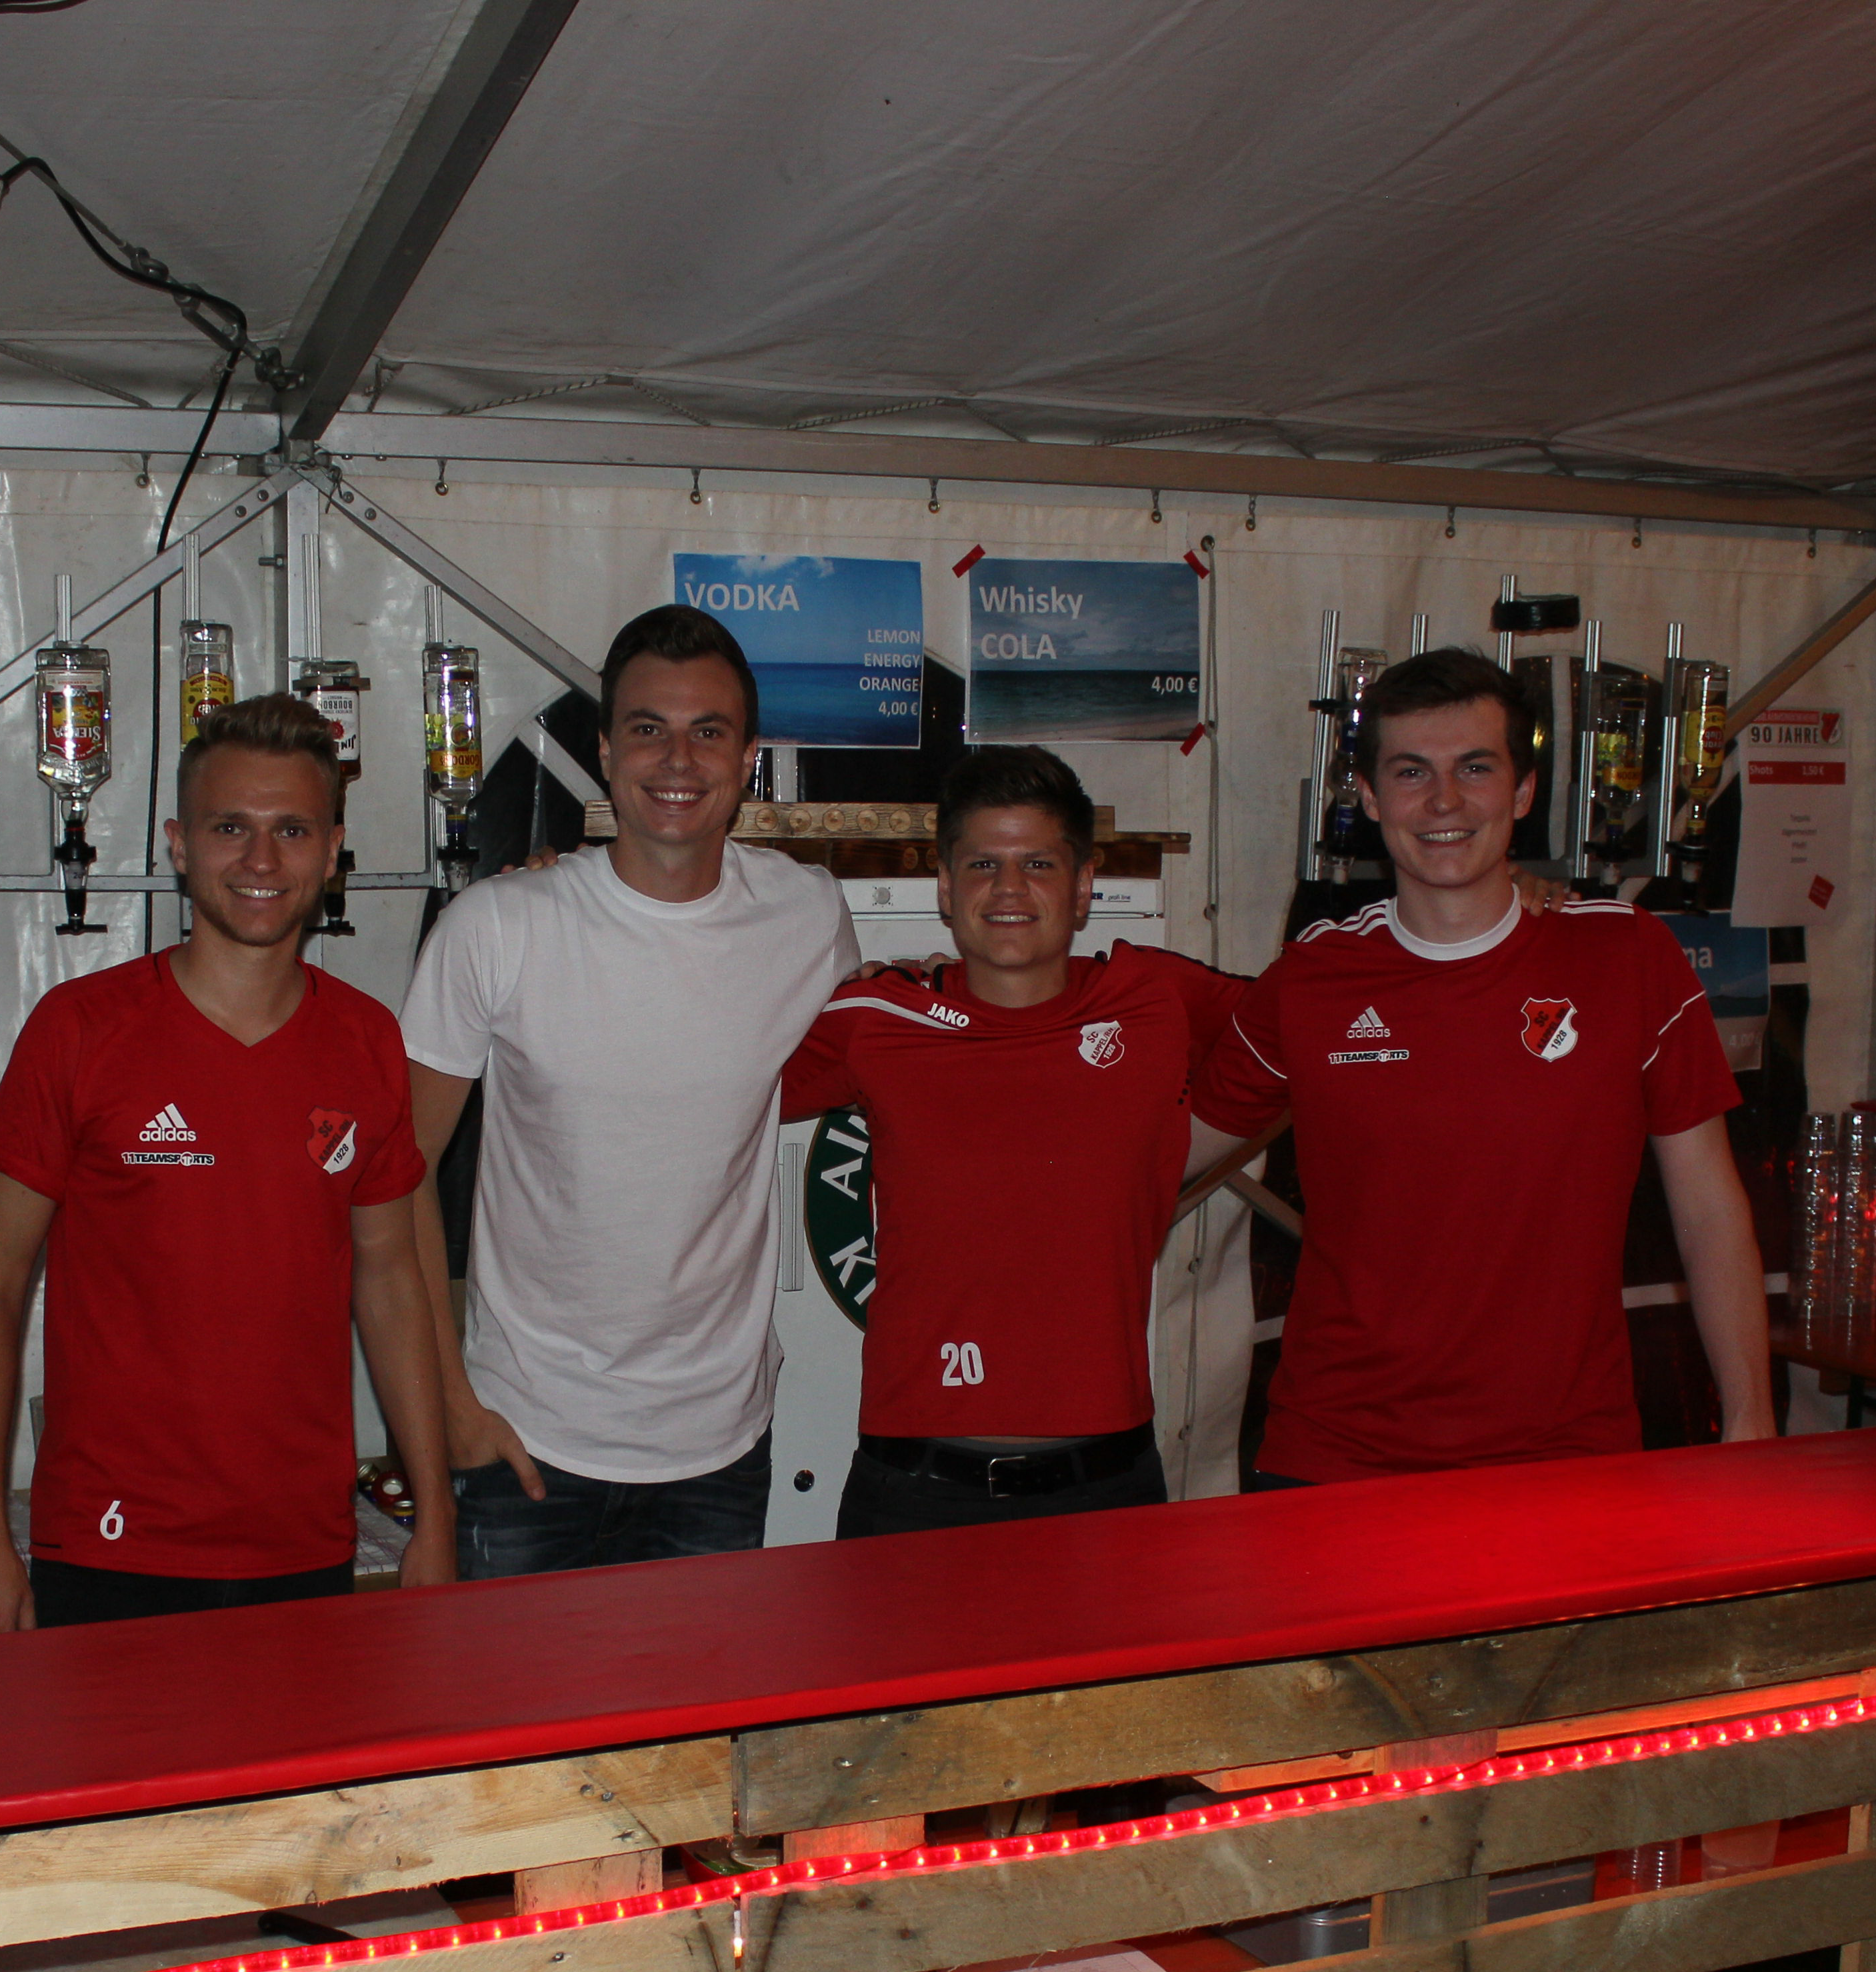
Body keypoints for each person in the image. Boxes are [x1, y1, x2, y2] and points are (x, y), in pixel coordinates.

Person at [1192, 647, 1771, 1483]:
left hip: (1564, 1458)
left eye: (1475, 767)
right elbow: (1160, 1164)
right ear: (1369, 797)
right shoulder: (1311, 980)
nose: (1444, 801)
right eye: (1411, 772)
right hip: (1338, 1460)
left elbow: (1710, 1211)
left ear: (1523, 791)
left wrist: (1750, 1423)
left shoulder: (1628, 957)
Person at [0, 695, 455, 1631]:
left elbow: (391, 1280)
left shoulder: (365, 1040)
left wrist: (436, 1511)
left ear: (332, 851)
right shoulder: (79, 1031)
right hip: (110, 1542)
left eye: (291, 830)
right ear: (179, 846)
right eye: (230, 828)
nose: (261, 861)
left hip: (304, 1541)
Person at [401, 605, 863, 1577]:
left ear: (747, 761)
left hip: (722, 1448)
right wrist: (452, 1408)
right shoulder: (498, 926)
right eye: (649, 729)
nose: (678, 760)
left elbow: (875, 1067)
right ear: (607, 753)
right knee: (513, 1689)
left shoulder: (808, 914)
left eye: (709, 731)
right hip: (524, 1441)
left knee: (700, 1690)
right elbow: (397, 1176)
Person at [779, 745, 1244, 1537]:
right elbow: (705, 1085)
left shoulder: (1155, 999)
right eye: (983, 864)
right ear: (945, 886)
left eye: (1038, 864)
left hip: (1108, 1490)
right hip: (914, 1492)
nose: (1009, 889)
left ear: (1084, 884)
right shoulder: (876, 1019)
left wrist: (1182, 1155)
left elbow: (1310, 1034)